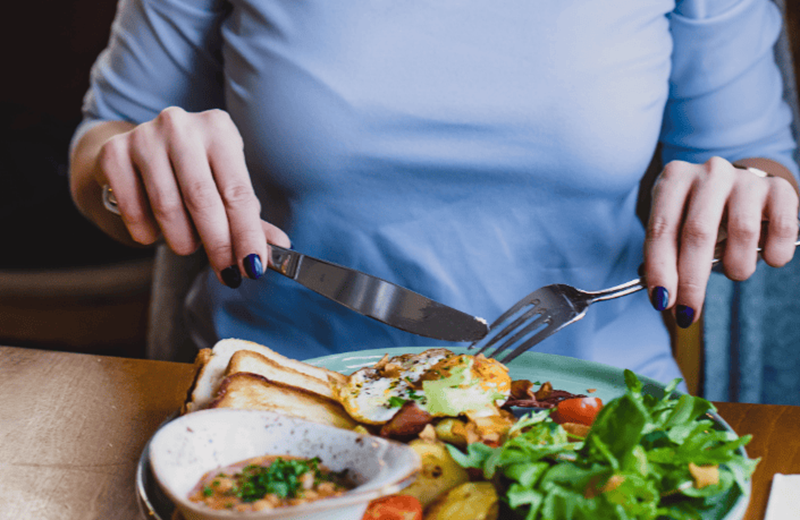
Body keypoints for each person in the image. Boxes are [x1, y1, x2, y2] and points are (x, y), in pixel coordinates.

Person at [69, 0, 800, 384]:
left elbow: (761, 165)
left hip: (599, 404)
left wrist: (749, 197)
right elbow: (99, 150)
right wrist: (127, 175)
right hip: (283, 396)